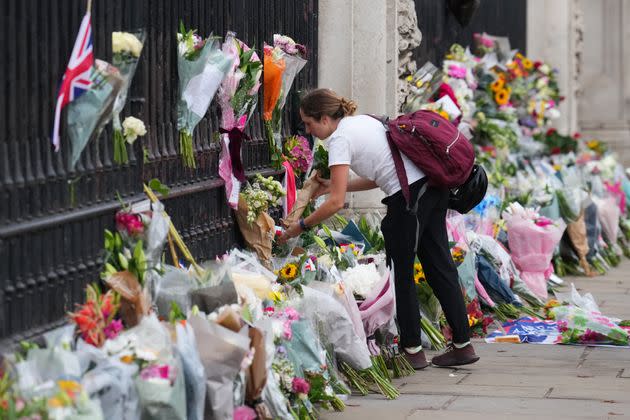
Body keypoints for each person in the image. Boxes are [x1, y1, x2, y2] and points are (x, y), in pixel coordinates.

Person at [280, 88, 479, 368]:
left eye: (309, 123)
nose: (309, 130)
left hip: (408, 200)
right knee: (440, 265)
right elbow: (379, 174)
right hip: (432, 190)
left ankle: (412, 352)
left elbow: (336, 203)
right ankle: (462, 345)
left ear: (324, 118)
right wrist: (334, 185)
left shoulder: (339, 139)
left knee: (402, 273)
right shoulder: (365, 121)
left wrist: (300, 226)